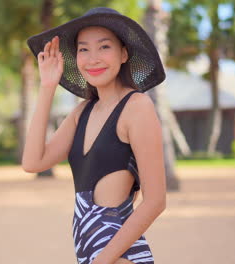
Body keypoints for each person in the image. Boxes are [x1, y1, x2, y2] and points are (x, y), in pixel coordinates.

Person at [23, 7, 166, 264]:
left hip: (119, 258)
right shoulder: (82, 112)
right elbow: (33, 162)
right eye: (83, 49)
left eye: (104, 47)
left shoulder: (137, 108)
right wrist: (47, 87)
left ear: (124, 53)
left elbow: (155, 201)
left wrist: (101, 261)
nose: (93, 58)